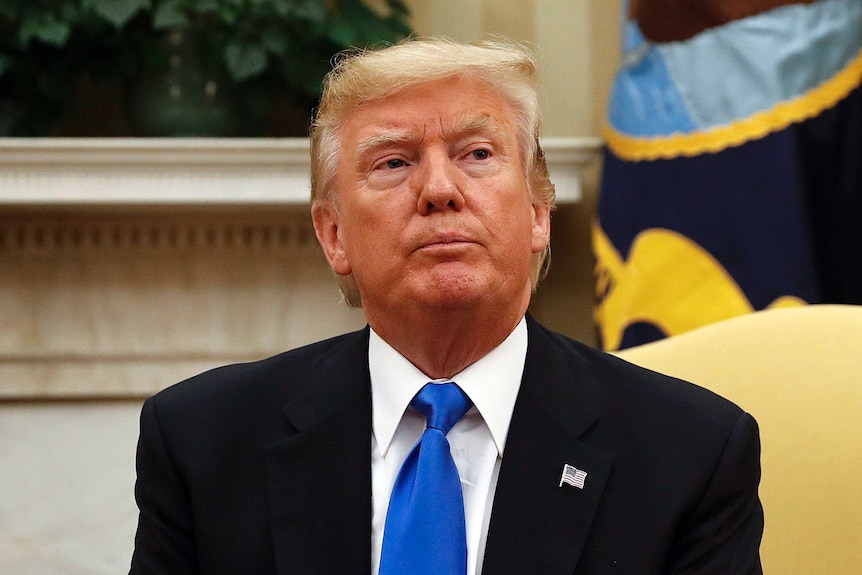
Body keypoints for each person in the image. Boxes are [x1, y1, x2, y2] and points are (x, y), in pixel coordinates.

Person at [129, 38, 763, 575]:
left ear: (538, 214)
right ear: (334, 235)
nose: (439, 190)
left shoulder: (689, 455)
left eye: (477, 155)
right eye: (394, 161)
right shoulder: (203, 445)